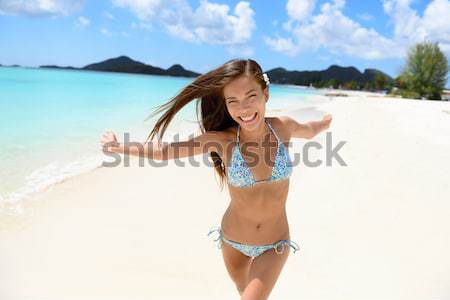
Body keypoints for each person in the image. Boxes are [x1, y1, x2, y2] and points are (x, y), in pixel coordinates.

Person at [101, 58, 332, 300]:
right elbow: (165, 151)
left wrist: (325, 123)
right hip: (233, 242)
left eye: (251, 96)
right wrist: (118, 147)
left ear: (265, 94)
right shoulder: (223, 141)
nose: (243, 108)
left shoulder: (282, 128)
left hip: (275, 244)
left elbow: (310, 129)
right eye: (233, 101)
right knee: (244, 293)